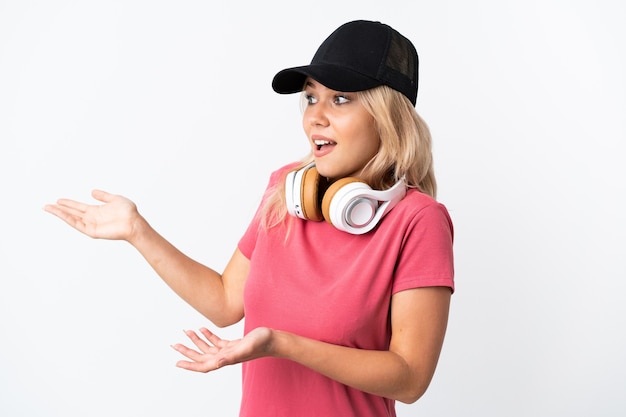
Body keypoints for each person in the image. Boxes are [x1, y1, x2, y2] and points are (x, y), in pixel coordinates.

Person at [44, 20, 454, 417]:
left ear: (389, 116)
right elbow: (225, 301)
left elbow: (411, 378)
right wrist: (138, 231)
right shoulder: (284, 192)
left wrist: (283, 344)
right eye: (311, 97)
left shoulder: (418, 221)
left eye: (340, 99)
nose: (316, 116)